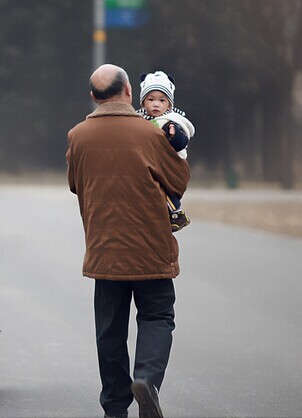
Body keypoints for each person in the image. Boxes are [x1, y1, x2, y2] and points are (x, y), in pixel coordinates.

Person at [66, 64, 190, 418]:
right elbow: (178, 182)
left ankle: (114, 409)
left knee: (110, 330)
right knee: (156, 315)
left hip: (104, 251)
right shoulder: (151, 134)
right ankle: (147, 380)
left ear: (93, 97)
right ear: (128, 94)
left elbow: (75, 182)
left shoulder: (78, 136)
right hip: (152, 248)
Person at [137, 70, 195, 232]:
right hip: (150, 161)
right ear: (143, 103)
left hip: (168, 163)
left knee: (165, 188)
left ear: (169, 105)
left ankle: (176, 212)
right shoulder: (138, 119)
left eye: (162, 100)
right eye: (151, 99)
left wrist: (174, 136)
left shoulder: (172, 121)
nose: (156, 104)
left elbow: (183, 142)